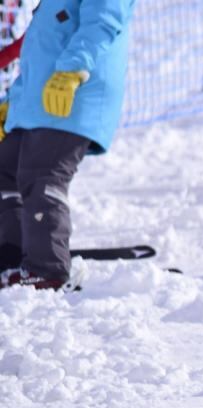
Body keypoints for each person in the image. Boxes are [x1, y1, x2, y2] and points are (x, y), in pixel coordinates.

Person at [0, 0, 135, 290]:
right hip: (39, 100)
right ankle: (12, 252)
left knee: (42, 175)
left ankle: (46, 269)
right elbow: (39, 52)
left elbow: (102, 22)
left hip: (74, 94)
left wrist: (73, 70)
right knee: (4, 168)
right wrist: (12, 103)